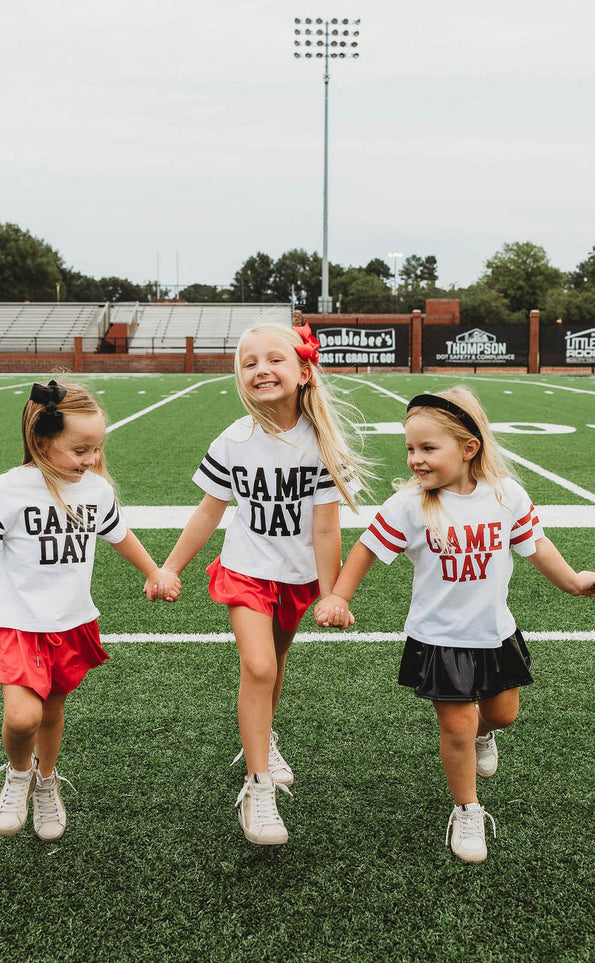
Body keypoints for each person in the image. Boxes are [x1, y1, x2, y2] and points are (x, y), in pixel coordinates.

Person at [314, 386, 595, 863]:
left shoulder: (506, 496)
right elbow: (366, 548)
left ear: (470, 449)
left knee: (501, 715)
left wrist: (572, 581)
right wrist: (339, 595)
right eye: (410, 449)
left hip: (494, 633)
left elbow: (537, 546)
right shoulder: (409, 506)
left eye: (428, 449)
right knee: (456, 727)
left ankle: (485, 736)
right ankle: (467, 809)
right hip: (438, 639)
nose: (415, 460)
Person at [0, 379, 167, 842]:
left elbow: (118, 535)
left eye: (96, 448)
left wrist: (153, 571)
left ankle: (47, 782)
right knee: (22, 718)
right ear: (42, 440)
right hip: (17, 624)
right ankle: (17, 773)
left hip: (71, 621)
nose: (91, 459)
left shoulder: (96, 490)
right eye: (80, 449)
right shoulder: (11, 490)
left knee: (51, 712)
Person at [145, 321, 372, 846]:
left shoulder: (321, 444)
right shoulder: (234, 439)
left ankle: (262, 740)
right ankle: (258, 785)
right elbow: (208, 512)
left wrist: (333, 593)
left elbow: (325, 525)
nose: (261, 370)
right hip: (246, 570)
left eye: (274, 360)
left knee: (276, 665)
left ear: (303, 372)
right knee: (259, 664)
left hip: (296, 577)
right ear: (239, 376)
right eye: (249, 363)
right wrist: (171, 566)